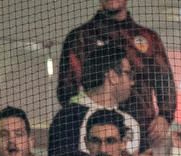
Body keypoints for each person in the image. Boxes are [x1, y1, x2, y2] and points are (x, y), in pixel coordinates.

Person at [57, 0, 172, 129]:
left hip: (144, 128)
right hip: (98, 133)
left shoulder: (148, 38)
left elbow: (164, 80)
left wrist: (165, 117)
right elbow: (67, 89)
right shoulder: (80, 37)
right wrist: (80, 121)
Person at [50, 40, 143, 156]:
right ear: (113, 76)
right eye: (128, 74)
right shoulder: (70, 117)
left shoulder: (130, 122)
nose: (132, 82)